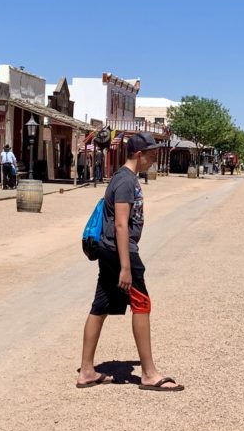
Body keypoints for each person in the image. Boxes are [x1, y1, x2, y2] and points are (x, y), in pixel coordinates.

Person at [76, 133, 183, 392]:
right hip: (120, 251)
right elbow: (122, 224)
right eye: (151, 156)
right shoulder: (125, 181)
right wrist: (125, 266)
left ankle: (87, 371)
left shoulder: (125, 178)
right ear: (138, 154)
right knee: (142, 304)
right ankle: (149, 373)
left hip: (111, 250)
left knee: (100, 305)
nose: (153, 161)